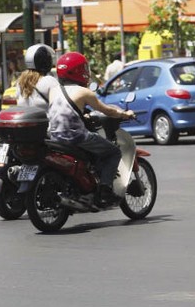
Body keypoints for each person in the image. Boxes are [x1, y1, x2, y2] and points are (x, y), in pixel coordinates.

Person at [47, 52, 135, 207]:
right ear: (78, 71)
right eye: (84, 68)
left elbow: (65, 111)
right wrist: (125, 114)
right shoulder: (84, 92)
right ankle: (105, 191)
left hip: (54, 137)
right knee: (113, 152)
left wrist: (83, 116)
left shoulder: (54, 90)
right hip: (76, 137)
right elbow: (107, 111)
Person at [16, 43, 58, 109]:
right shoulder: (49, 81)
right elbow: (60, 103)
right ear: (46, 61)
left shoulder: (20, 81)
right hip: (45, 118)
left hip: (25, 118)